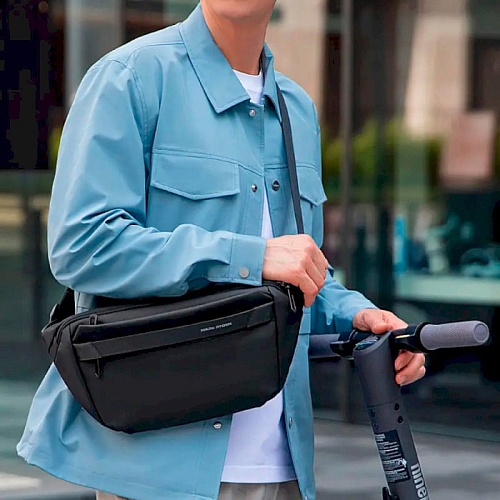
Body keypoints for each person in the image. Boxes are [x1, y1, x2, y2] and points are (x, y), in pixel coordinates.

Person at [17, 2, 426, 499]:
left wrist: (358, 316)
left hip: (283, 467)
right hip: (159, 468)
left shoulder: (296, 109)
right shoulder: (131, 78)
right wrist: (247, 256)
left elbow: (294, 276)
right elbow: (82, 243)